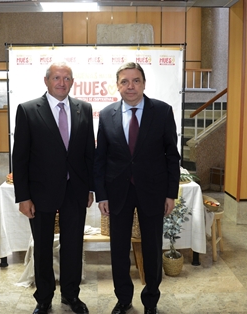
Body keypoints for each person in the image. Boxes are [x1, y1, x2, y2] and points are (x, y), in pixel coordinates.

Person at [94, 62, 180, 314]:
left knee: (152, 248)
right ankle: (123, 299)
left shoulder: (162, 111)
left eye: (135, 81)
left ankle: (151, 300)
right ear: (118, 85)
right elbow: (101, 158)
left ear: (144, 83)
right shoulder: (107, 114)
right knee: (118, 250)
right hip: (117, 192)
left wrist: (170, 193)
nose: (130, 86)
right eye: (124, 81)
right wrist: (102, 194)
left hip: (153, 191)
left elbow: (171, 156)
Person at [12, 62, 95, 314]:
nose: (62, 82)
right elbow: (20, 157)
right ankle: (44, 297)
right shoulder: (27, 110)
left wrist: (90, 188)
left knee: (73, 245)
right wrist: (23, 196)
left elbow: (88, 153)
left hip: (75, 191)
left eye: (67, 78)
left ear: (72, 82)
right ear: (46, 81)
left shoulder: (84, 109)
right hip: (40, 192)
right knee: (43, 246)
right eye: (56, 77)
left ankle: (71, 294)